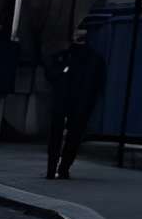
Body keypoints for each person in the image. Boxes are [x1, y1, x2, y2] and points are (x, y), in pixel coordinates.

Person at [42, 22, 107, 180]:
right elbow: (99, 84)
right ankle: (61, 168)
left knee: (61, 135)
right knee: (71, 136)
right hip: (77, 101)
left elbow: (51, 75)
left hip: (69, 100)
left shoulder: (64, 57)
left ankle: (56, 168)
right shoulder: (93, 59)